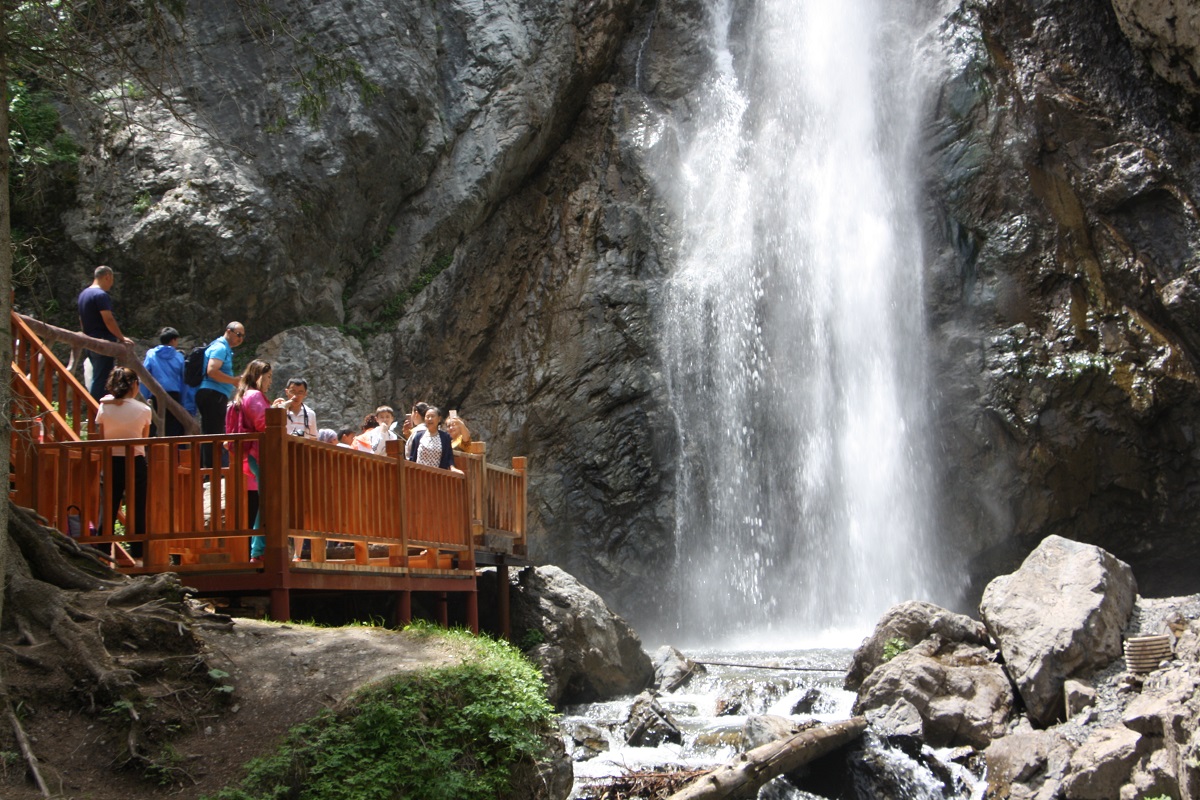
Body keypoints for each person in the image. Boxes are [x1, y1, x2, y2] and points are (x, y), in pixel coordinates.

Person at [94, 367, 152, 558]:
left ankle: (103, 553)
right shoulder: (144, 409)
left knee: (108, 507)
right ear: (134, 384)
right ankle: (138, 552)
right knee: (138, 507)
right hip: (135, 461)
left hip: (110, 461)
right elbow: (143, 441)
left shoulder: (104, 406)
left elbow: (102, 437)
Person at [225, 359, 272, 563]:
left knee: (266, 500)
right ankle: (258, 550)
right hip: (260, 452)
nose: (270, 381)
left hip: (253, 452)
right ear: (259, 376)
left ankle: (258, 549)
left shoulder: (245, 395)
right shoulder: (254, 395)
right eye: (268, 377)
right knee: (268, 501)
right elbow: (264, 422)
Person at [77, 266, 134, 399]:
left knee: (96, 376)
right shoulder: (101, 295)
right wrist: (121, 337)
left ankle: (96, 412)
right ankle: (97, 412)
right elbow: (108, 319)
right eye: (111, 279)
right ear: (107, 276)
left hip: (89, 340)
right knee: (102, 379)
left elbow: (81, 319)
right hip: (102, 341)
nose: (111, 283)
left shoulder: (83, 294)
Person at [195, 322, 245, 468]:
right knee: (213, 435)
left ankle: (210, 469)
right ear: (228, 331)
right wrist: (234, 381)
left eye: (243, 337)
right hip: (213, 394)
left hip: (214, 394)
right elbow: (212, 370)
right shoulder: (220, 347)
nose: (240, 339)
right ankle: (211, 472)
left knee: (212, 432)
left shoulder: (224, 348)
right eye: (238, 335)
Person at [140, 327, 187, 436]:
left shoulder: (151, 354)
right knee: (172, 428)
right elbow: (184, 381)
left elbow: (145, 375)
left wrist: (144, 397)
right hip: (174, 396)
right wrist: (183, 401)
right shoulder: (179, 357)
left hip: (155, 394)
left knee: (153, 426)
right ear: (173, 340)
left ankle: (152, 451)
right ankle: (171, 452)